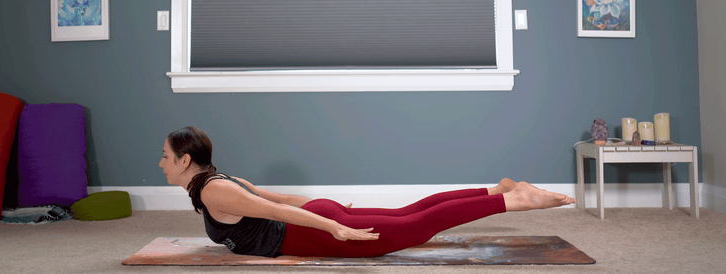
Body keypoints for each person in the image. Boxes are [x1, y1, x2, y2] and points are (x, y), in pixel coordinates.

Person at [159, 126, 575, 258]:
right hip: (321, 217)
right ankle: (497, 189)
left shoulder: (214, 192)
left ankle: (514, 200)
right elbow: (278, 200)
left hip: (312, 230)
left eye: (164, 156)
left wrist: (334, 226)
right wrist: (331, 211)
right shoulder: (219, 182)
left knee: (416, 226)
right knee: (412, 212)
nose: (160, 162)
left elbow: (281, 213)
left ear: (184, 161)